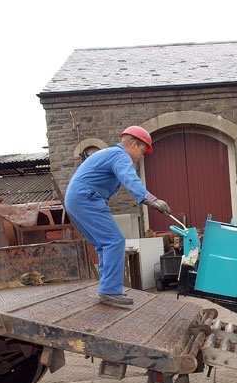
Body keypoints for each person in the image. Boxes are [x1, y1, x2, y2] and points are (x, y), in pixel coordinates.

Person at [64, 126, 170, 308]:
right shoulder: (120, 155)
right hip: (85, 198)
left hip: (76, 199)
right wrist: (151, 199)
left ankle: (107, 288)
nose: (141, 157)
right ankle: (110, 291)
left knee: (104, 244)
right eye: (143, 152)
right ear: (135, 145)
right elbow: (130, 179)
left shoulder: (110, 154)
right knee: (114, 241)